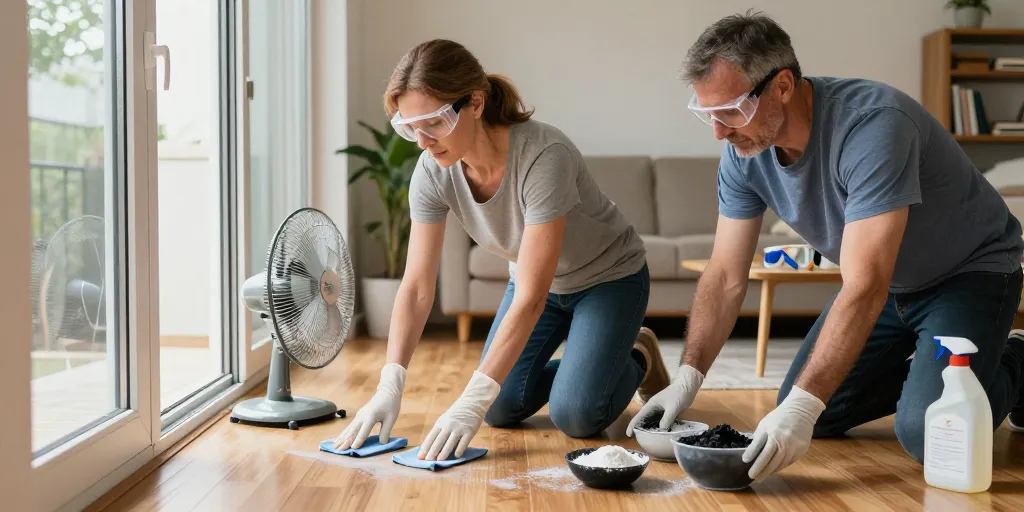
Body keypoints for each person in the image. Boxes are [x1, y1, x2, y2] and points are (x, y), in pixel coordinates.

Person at [628, 11, 1024, 482]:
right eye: (707, 113)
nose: (719, 131)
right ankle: (934, 374)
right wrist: (687, 378)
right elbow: (726, 275)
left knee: (924, 431)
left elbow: (865, 282)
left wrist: (803, 405)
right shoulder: (743, 153)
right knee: (821, 410)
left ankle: (1014, 361)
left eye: (730, 109)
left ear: (781, 86)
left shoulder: (874, 126)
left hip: (969, 275)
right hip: (894, 286)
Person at [332, 39, 671, 461]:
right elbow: (417, 286)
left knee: (578, 415)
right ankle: (594, 362)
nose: (422, 141)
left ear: (475, 102)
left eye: (433, 123)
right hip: (539, 288)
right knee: (498, 406)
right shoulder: (432, 171)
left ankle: (635, 354)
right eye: (409, 127)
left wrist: (470, 397)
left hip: (608, 279)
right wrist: (390, 384)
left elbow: (530, 297)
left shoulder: (545, 155)